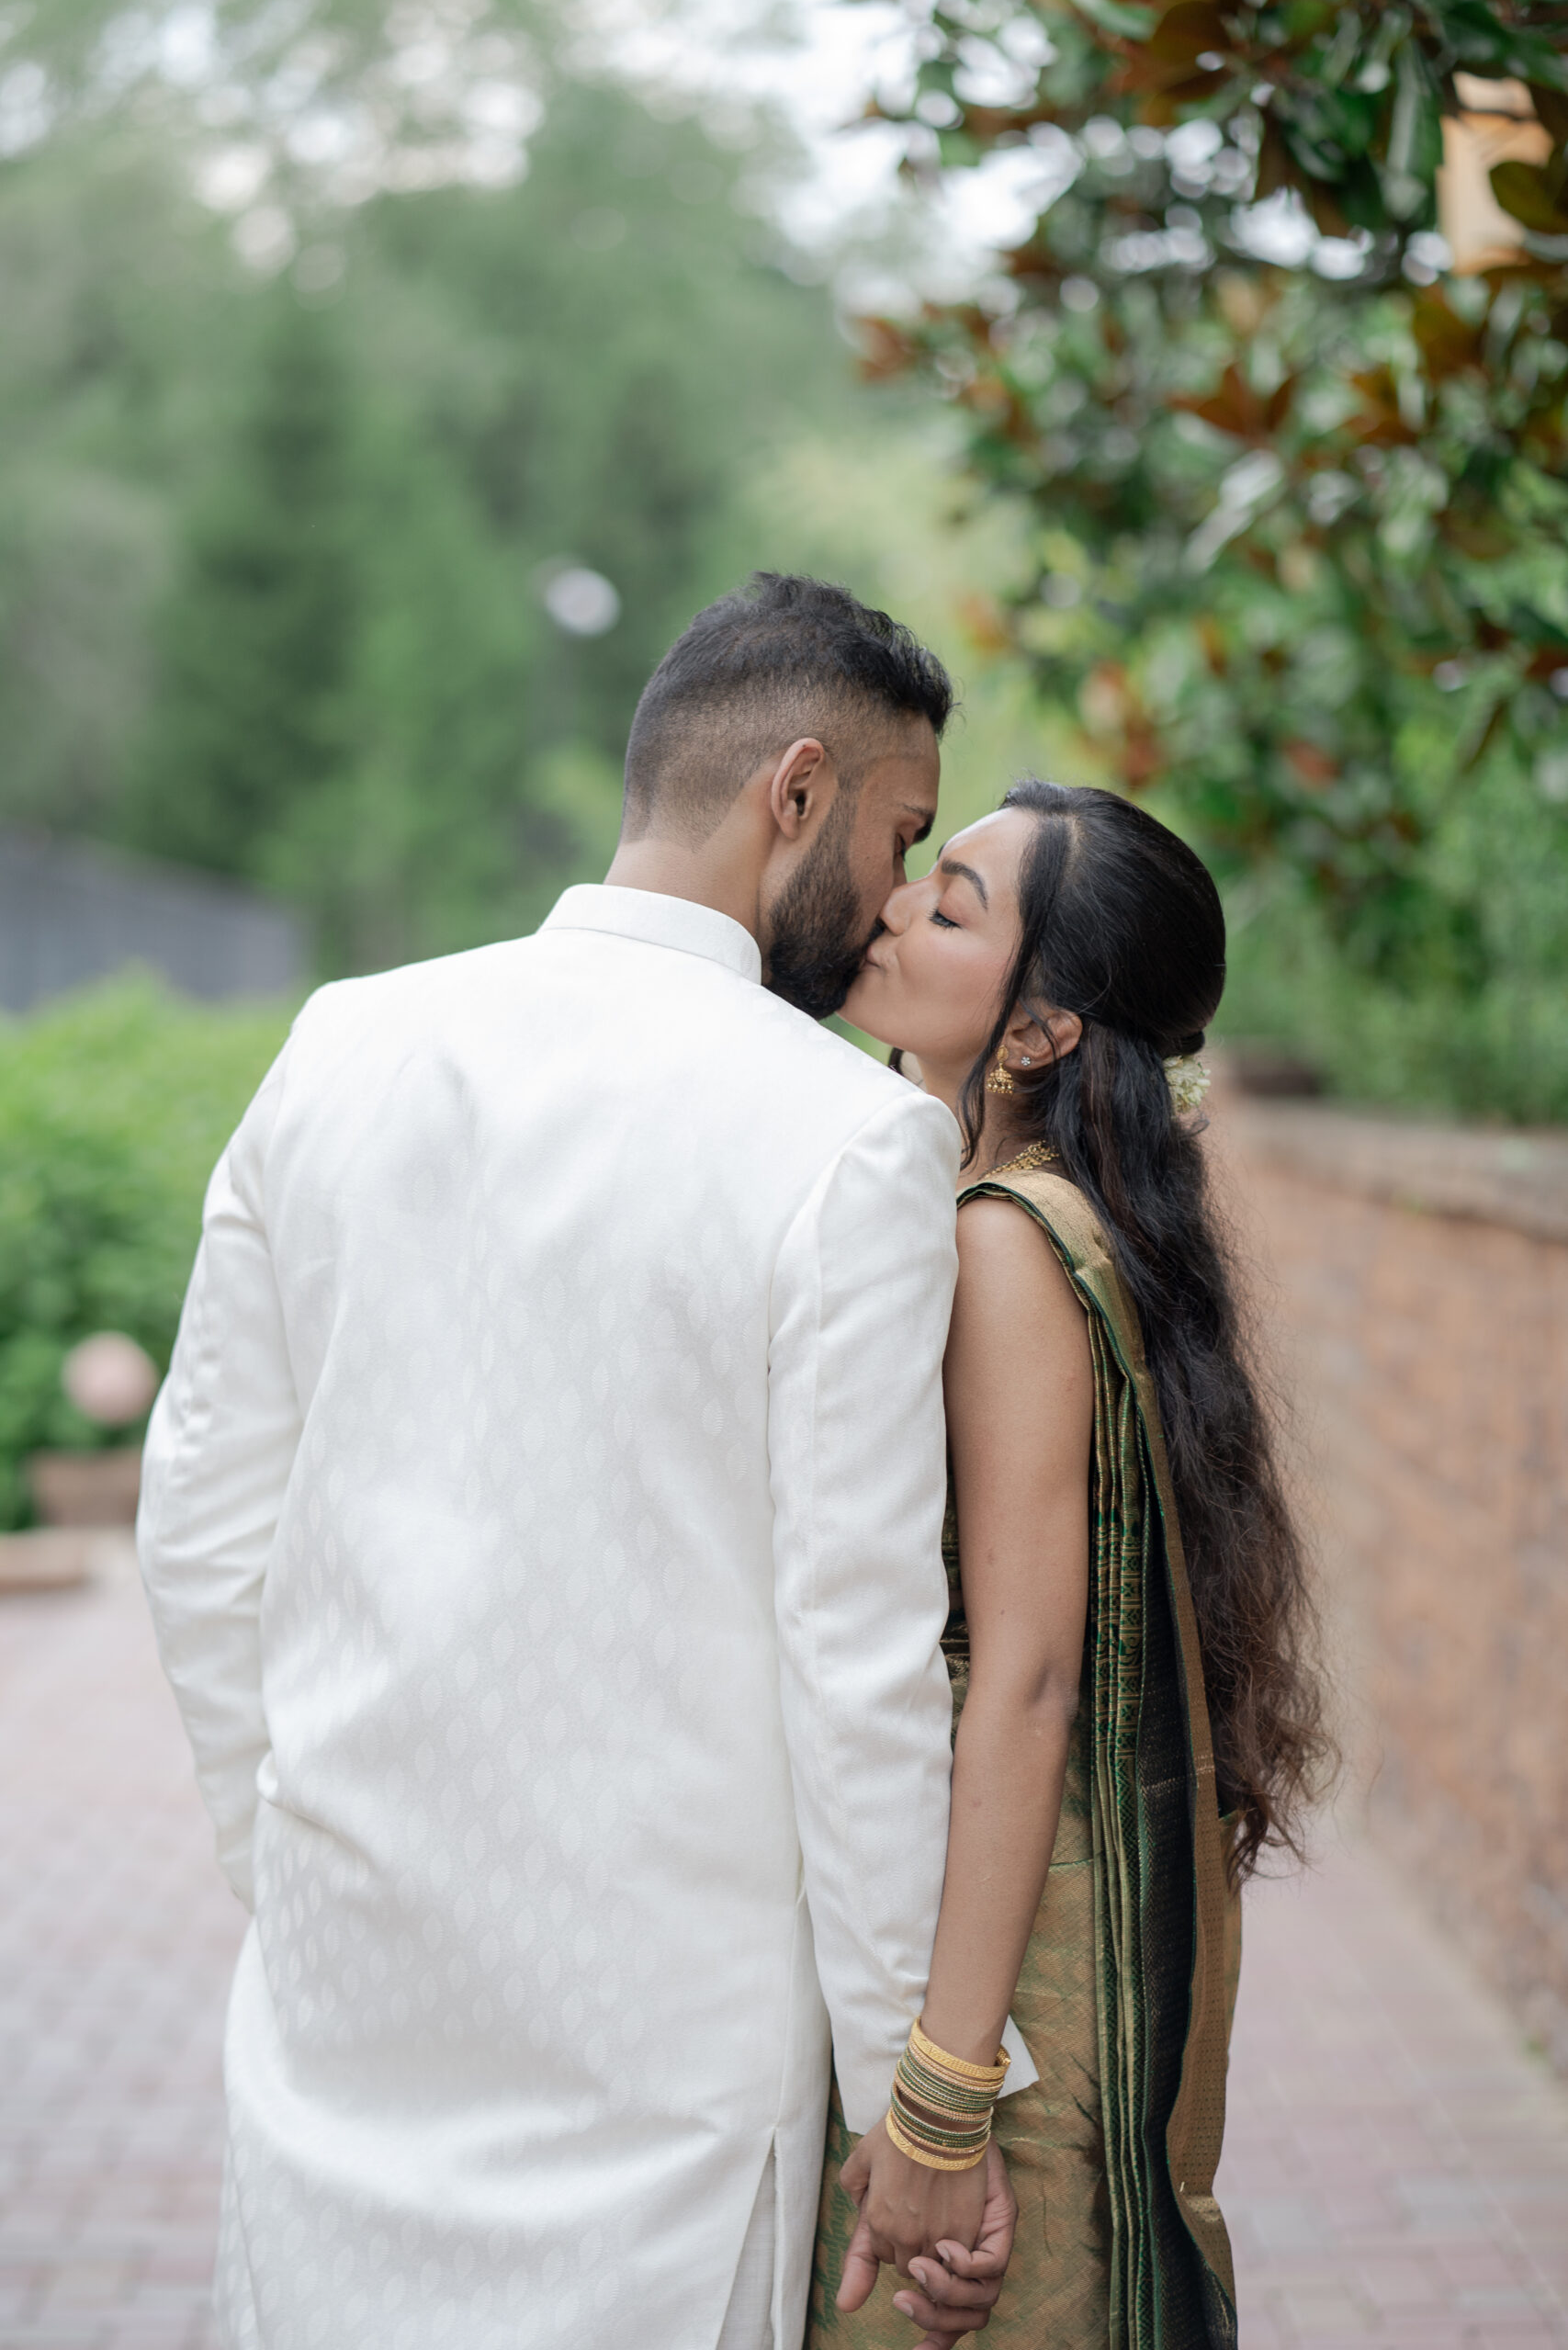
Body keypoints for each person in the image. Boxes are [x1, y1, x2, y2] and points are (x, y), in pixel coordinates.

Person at [138, 571, 1037, 2350]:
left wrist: (295, 1869)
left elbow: (199, 1536)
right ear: (795, 793)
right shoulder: (851, 1143)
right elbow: (853, 1664)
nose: (891, 898)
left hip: (338, 2023)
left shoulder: (340, 1046)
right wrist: (913, 2098)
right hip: (665, 2090)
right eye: (897, 834)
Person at [809, 780, 1330, 2350]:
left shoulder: (1002, 1240)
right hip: (1008, 1937)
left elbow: (1027, 1678)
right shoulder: (1036, 1214)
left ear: (1039, 1032)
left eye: (952, 903)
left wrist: (943, 2099)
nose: (895, 902)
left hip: (1008, 1980)